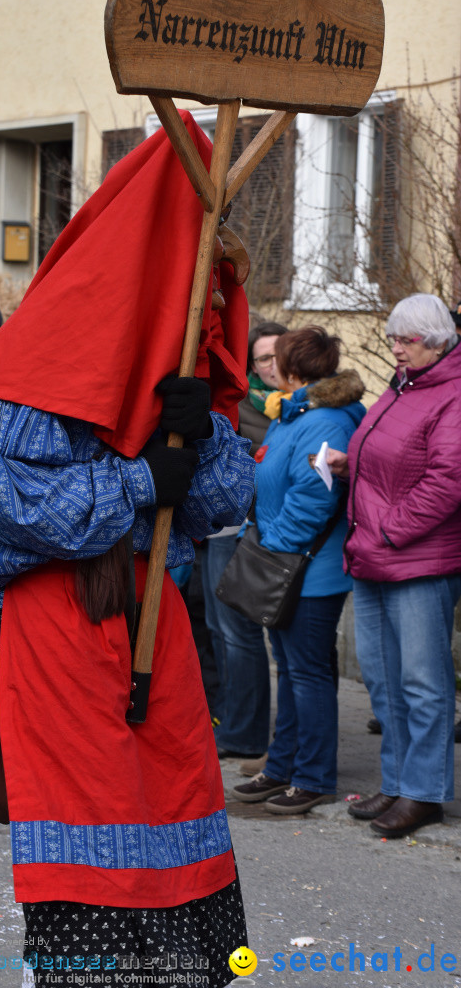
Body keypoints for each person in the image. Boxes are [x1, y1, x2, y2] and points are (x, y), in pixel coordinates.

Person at [0, 113, 255, 985]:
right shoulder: (31, 369)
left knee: (181, 813)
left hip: (158, 631)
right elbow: (7, 505)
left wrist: (206, 439)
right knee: (93, 844)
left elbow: (225, 506)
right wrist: (139, 483)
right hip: (62, 632)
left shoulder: (175, 364)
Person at [327, 294, 461, 838]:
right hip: (373, 556)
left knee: (423, 682)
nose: (395, 349)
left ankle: (424, 793)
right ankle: (397, 781)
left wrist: (388, 529)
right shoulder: (402, 386)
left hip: (417, 561)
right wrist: (347, 463)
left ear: (435, 341)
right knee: (383, 681)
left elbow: (448, 480)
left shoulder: (452, 394)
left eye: (405, 341)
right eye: (393, 340)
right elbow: (387, 460)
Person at [233, 326, 365, 815]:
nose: (267, 368)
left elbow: (313, 498)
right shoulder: (297, 411)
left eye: (276, 360)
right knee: (289, 669)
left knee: (307, 673)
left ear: (293, 369)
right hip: (288, 561)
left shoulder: (325, 420)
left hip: (308, 568)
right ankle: (282, 765)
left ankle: (313, 777)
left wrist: (273, 550)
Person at [201, 320, 287, 763]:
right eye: (263, 359)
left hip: (259, 531)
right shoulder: (242, 401)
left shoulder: (294, 407)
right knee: (222, 630)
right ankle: (233, 723)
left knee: (242, 634)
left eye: (278, 356)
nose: (272, 367)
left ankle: (246, 732)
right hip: (223, 529)